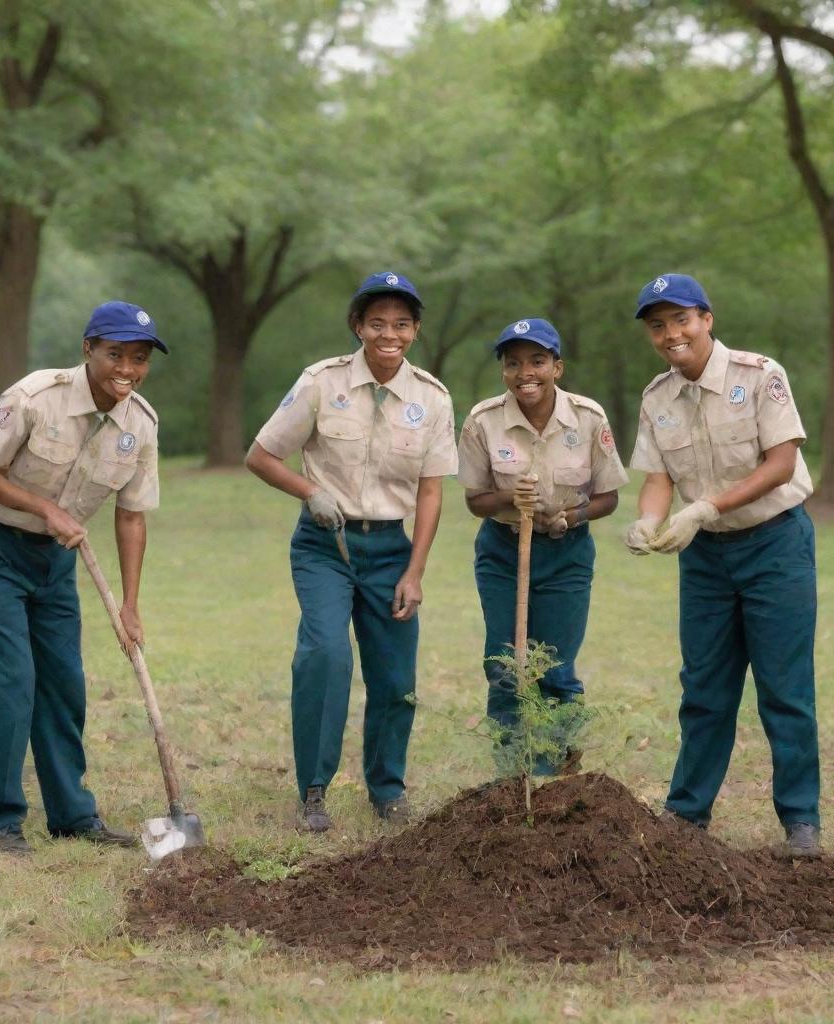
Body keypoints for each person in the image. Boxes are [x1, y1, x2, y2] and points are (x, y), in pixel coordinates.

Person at [246, 271, 457, 831]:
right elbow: (261, 455)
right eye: (378, 323)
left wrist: (415, 571)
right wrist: (310, 490)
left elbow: (432, 491)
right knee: (325, 656)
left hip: (391, 548)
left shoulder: (432, 398)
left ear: (414, 330)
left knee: (395, 675)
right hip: (324, 545)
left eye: (402, 323)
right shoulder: (321, 382)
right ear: (359, 326)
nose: (390, 333)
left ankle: (386, 787)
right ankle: (314, 790)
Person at [625, 274, 821, 855]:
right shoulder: (656, 398)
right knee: (704, 687)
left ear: (707, 318)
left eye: (681, 319)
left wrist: (707, 505)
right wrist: (648, 518)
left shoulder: (760, 376)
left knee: (784, 687)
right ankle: (686, 816)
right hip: (705, 556)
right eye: (657, 326)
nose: (671, 334)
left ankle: (800, 820)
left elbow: (782, 463)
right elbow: (658, 479)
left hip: (775, 545)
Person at [0, 301, 166, 856]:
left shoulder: (140, 423)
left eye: (139, 358)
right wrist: (45, 510)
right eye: (115, 353)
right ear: (88, 349)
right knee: (12, 684)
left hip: (56, 564)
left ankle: (71, 816)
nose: (127, 368)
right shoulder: (33, 398)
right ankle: (2, 822)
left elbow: (132, 514)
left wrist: (130, 606)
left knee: (65, 687)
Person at [457, 318, 628, 773]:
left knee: (554, 666)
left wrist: (570, 516)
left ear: (558, 367)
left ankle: (553, 774)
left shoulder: (588, 419)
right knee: (505, 664)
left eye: (537, 360)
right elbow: (475, 502)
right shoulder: (483, 421)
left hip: (566, 554)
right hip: (502, 551)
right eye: (512, 363)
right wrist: (511, 497)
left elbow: (609, 497)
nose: (524, 372)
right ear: (503, 372)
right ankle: (513, 775)